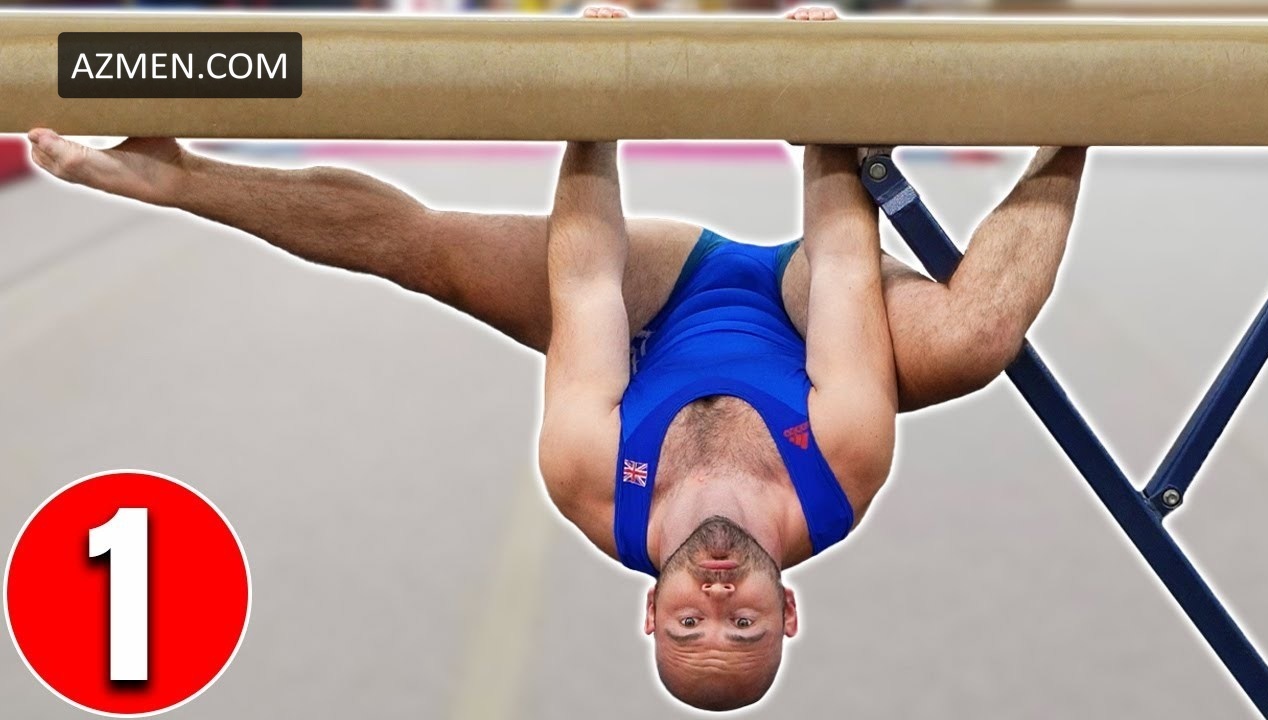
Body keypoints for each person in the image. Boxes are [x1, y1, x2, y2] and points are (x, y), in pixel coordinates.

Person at [23, 7, 1088, 710]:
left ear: (651, 611)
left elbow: (586, 285)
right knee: (970, 341)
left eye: (692, 621)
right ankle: (1076, 117)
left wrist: (593, 116)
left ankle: (175, 175)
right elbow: (845, 266)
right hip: (814, 312)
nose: (717, 596)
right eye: (743, 622)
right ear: (789, 611)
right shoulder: (840, 470)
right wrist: (824, 118)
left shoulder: (590, 482)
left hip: (651, 302)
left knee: (427, 251)